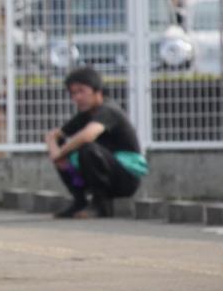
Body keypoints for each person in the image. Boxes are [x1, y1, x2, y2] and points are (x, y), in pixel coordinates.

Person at [44, 66, 148, 218]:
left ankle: (101, 205)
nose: (77, 97)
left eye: (81, 91)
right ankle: (80, 201)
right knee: (67, 147)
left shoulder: (108, 110)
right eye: (73, 93)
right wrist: (57, 154)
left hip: (125, 177)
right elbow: (53, 136)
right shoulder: (85, 114)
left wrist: (61, 153)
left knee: (87, 148)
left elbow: (88, 135)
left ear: (97, 91)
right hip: (101, 172)